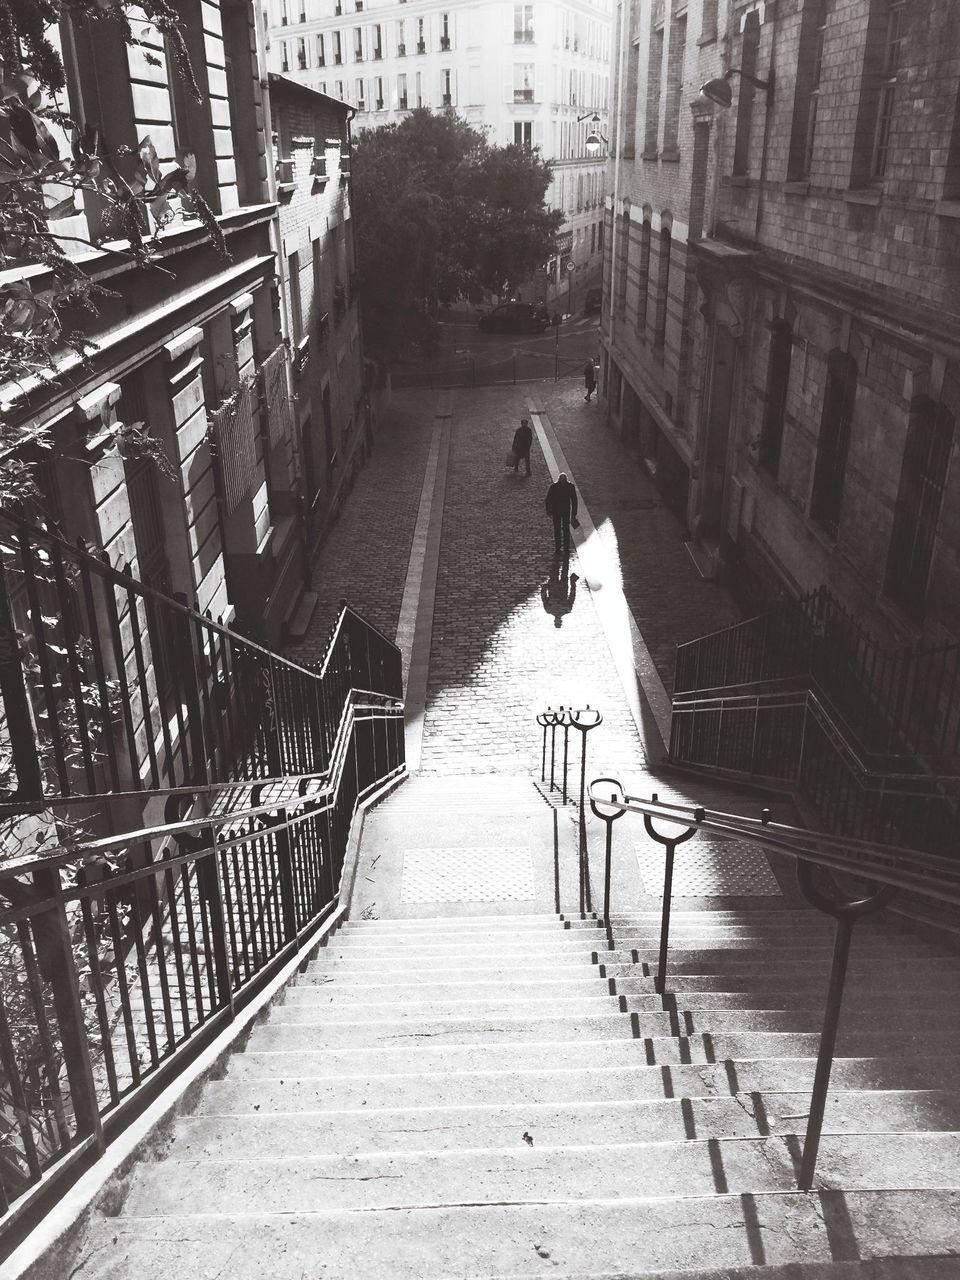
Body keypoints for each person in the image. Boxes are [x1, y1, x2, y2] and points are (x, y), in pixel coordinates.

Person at [545, 472, 579, 558]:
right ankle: (564, 548)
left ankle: (559, 547)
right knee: (564, 529)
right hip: (565, 510)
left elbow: (548, 499)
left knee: (560, 529)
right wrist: (574, 514)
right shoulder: (570, 486)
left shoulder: (554, 487)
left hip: (557, 511)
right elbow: (574, 500)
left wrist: (549, 510)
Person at [541, 563, 579, 628]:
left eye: (556, 622)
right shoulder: (567, 610)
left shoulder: (549, 610)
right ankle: (564, 554)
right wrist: (573, 583)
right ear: (561, 621)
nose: (557, 620)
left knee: (555, 569)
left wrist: (544, 588)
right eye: (559, 622)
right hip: (563, 586)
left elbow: (544, 598)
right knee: (564, 569)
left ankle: (558, 554)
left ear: (554, 621)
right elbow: (572, 596)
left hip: (553, 586)